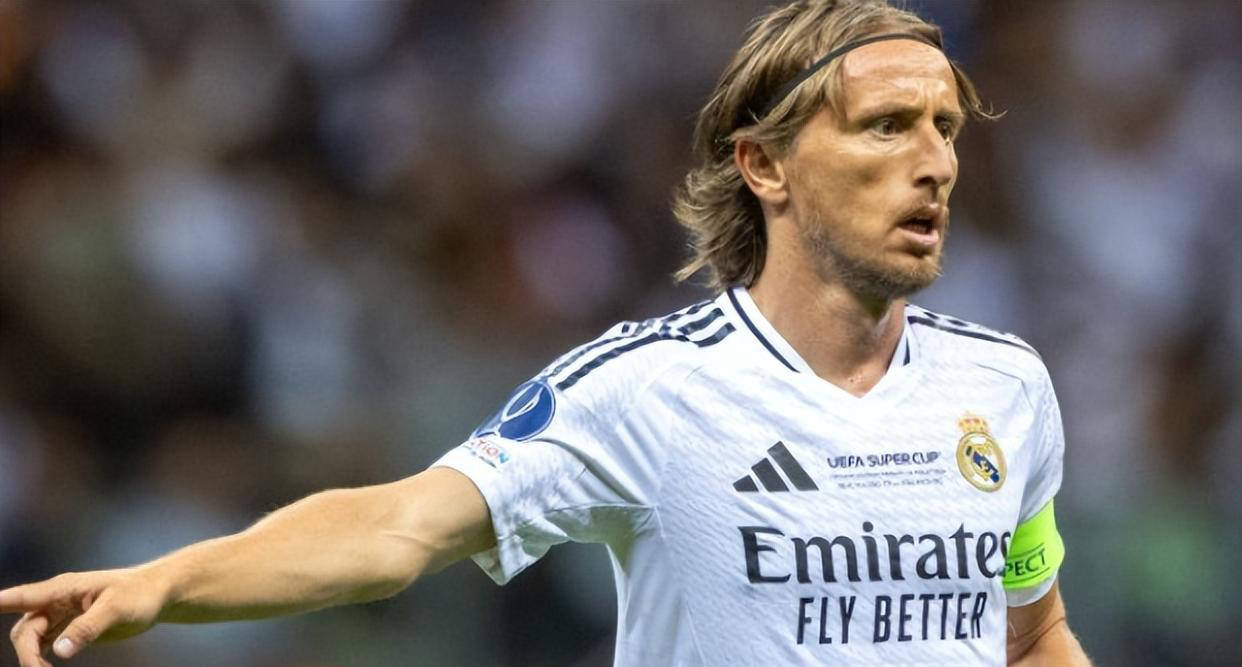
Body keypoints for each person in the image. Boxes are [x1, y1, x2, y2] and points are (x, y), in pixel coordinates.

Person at [3, 1, 1092, 665]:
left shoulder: (1003, 388)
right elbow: (398, 528)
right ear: (765, 166)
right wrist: (172, 581)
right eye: (887, 126)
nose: (936, 162)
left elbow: (1030, 632)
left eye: (945, 127)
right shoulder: (648, 390)